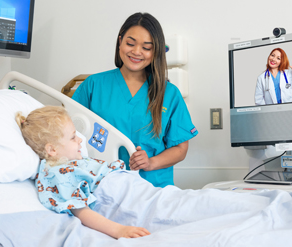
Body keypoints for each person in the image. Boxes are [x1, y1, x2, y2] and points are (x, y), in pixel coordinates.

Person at [72, 12, 198, 188]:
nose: (136, 52)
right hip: (101, 186)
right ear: (120, 41)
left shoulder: (169, 94)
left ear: (156, 51)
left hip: (152, 188)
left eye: (147, 47)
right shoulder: (93, 85)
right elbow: (70, 133)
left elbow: (180, 149)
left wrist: (150, 163)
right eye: (130, 43)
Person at [16, 106, 151, 239]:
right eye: (73, 137)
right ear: (52, 149)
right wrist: (119, 230)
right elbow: (80, 210)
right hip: (120, 196)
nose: (80, 139)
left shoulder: (72, 162)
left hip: (136, 188)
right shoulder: (58, 174)